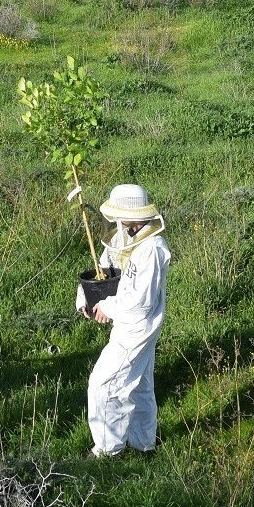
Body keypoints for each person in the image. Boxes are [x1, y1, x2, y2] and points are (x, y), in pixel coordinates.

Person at [76, 184, 171, 458]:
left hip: (137, 326)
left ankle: (108, 450)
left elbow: (140, 302)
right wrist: (86, 296)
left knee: (104, 383)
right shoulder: (125, 234)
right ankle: (143, 443)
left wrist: (108, 306)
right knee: (140, 384)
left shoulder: (151, 248)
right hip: (128, 321)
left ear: (134, 215)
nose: (115, 221)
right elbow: (103, 267)